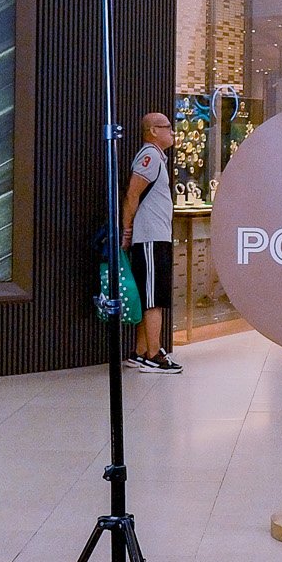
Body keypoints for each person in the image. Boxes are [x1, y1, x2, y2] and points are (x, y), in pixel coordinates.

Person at [122, 110, 181, 373]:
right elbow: (132, 194)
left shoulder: (157, 158)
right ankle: (153, 355)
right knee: (153, 298)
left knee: (150, 295)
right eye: (167, 126)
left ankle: (140, 352)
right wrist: (127, 230)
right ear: (153, 131)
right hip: (150, 238)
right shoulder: (150, 156)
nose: (172, 131)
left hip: (156, 236)